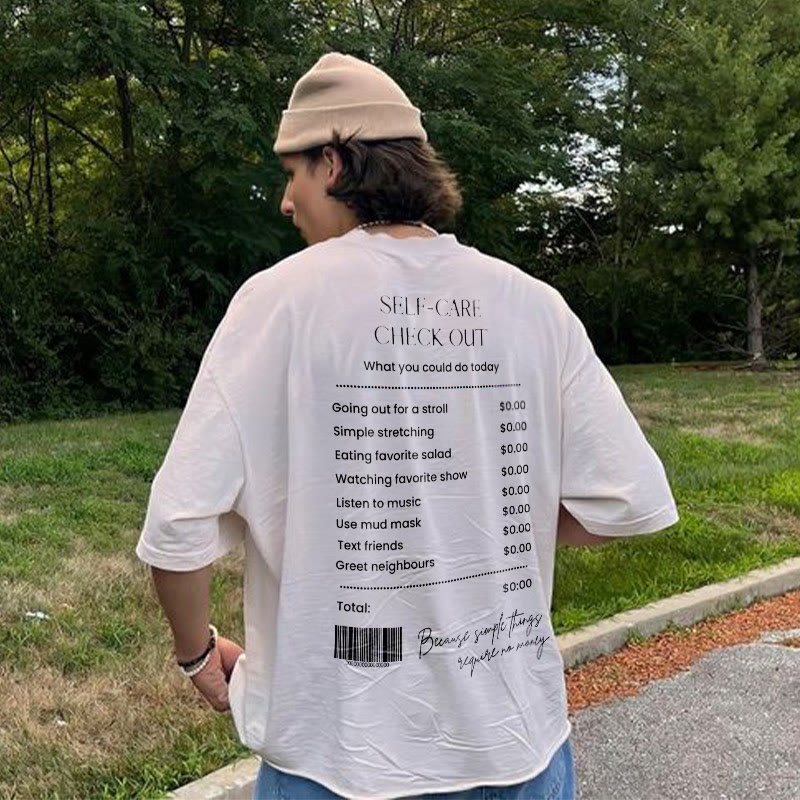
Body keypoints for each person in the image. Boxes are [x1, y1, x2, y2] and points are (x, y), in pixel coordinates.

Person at [136, 52, 680, 800]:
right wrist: (483, 531)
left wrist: (197, 655)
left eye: (291, 175)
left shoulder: (279, 304)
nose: (286, 202)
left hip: (338, 761)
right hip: (521, 750)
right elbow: (628, 500)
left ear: (332, 164)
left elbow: (176, 529)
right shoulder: (531, 304)